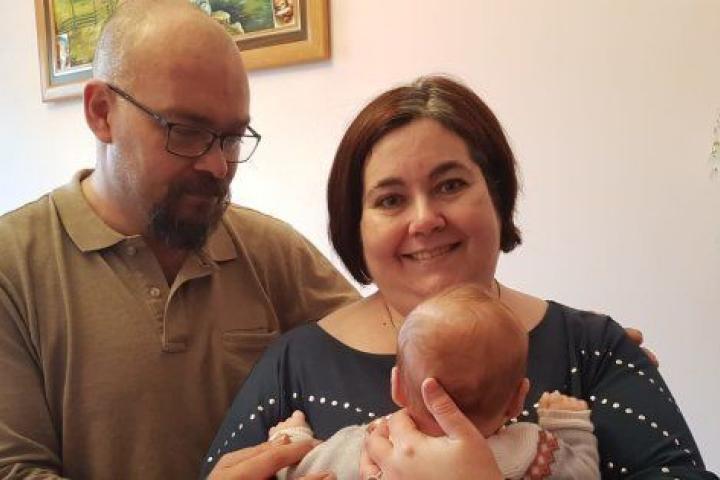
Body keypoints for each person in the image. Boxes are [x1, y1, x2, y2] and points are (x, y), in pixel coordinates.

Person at [203, 75, 716, 479]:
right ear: (353, 224)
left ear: (497, 196)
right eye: (390, 199)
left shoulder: (593, 351)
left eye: (450, 185)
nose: (424, 219)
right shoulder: (292, 367)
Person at [0, 1, 358, 478]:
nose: (217, 166)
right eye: (186, 132)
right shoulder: (14, 266)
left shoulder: (271, 251)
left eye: (231, 138)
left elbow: (381, 355)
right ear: (102, 112)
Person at [267, 284, 600, 480]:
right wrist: (567, 423)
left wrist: (291, 436)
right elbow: (586, 472)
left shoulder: (370, 444)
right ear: (518, 399)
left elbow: (297, 470)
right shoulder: (532, 451)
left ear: (397, 387)